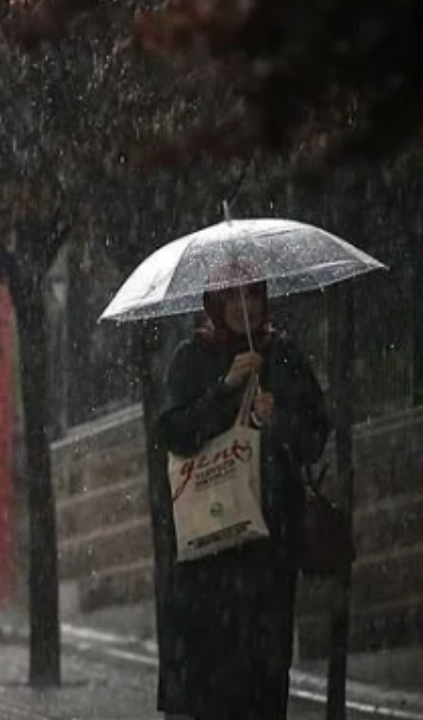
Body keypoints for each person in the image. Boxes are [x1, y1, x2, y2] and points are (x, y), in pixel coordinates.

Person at [156, 279, 330, 720]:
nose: (243, 306)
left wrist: (280, 420)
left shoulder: (283, 356)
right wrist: (226, 388)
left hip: (269, 551)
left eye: (252, 294)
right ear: (213, 301)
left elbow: (314, 437)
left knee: (266, 683)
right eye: (231, 296)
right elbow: (175, 434)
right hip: (209, 552)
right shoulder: (191, 359)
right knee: (214, 689)